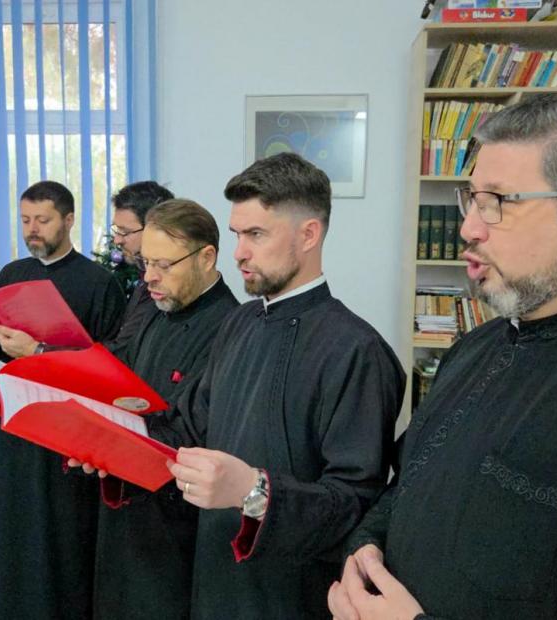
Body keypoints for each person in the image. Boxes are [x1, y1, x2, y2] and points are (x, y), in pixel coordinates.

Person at [330, 93, 557, 619]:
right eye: (471, 198)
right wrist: (366, 548)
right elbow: (409, 482)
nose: (469, 227)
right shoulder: (475, 347)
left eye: (497, 201)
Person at [128, 153, 405, 619]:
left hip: (291, 597)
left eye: (256, 234)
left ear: (308, 235)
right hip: (213, 580)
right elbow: (185, 428)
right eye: (237, 234)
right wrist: (110, 442)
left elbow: (355, 506)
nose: (238, 252)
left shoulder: (357, 351)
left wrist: (253, 491)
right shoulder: (237, 324)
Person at [0, 180, 125, 619]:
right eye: (25, 220)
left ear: (69, 220)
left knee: (59, 539)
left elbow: (109, 361)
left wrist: (39, 351)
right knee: (11, 531)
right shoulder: (12, 274)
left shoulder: (100, 282)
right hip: (14, 425)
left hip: (67, 433)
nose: (31, 229)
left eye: (42, 220)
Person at [92, 199, 239, 619]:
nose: (149, 277)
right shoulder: (157, 310)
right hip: (125, 508)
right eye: (146, 263)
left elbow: (191, 429)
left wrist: (109, 441)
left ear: (206, 257)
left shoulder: (230, 326)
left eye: (163, 265)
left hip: (176, 525)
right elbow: (124, 387)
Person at [103, 181, 175, 359]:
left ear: (155, 229)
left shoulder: (165, 285)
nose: (117, 240)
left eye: (125, 232)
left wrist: (43, 350)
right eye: (116, 230)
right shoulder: (143, 275)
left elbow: (123, 351)